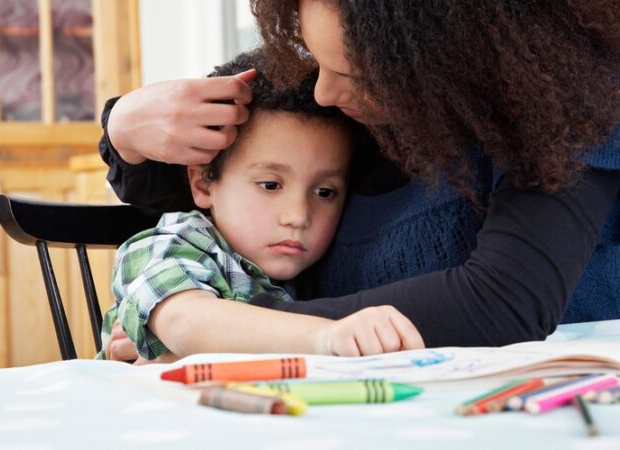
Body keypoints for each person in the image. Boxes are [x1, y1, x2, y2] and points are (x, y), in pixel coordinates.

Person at [100, 0, 620, 361]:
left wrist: (231, 333)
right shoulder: (361, 114)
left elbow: (505, 302)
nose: (323, 93)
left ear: (437, 64)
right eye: (317, 61)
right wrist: (121, 129)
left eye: (349, 74)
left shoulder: (564, 110)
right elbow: (220, 185)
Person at [97, 51, 425, 362]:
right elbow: (187, 322)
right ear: (202, 183)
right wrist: (326, 337)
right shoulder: (175, 243)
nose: (297, 216)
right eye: (270, 185)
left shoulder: (313, 270)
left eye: (324, 192)